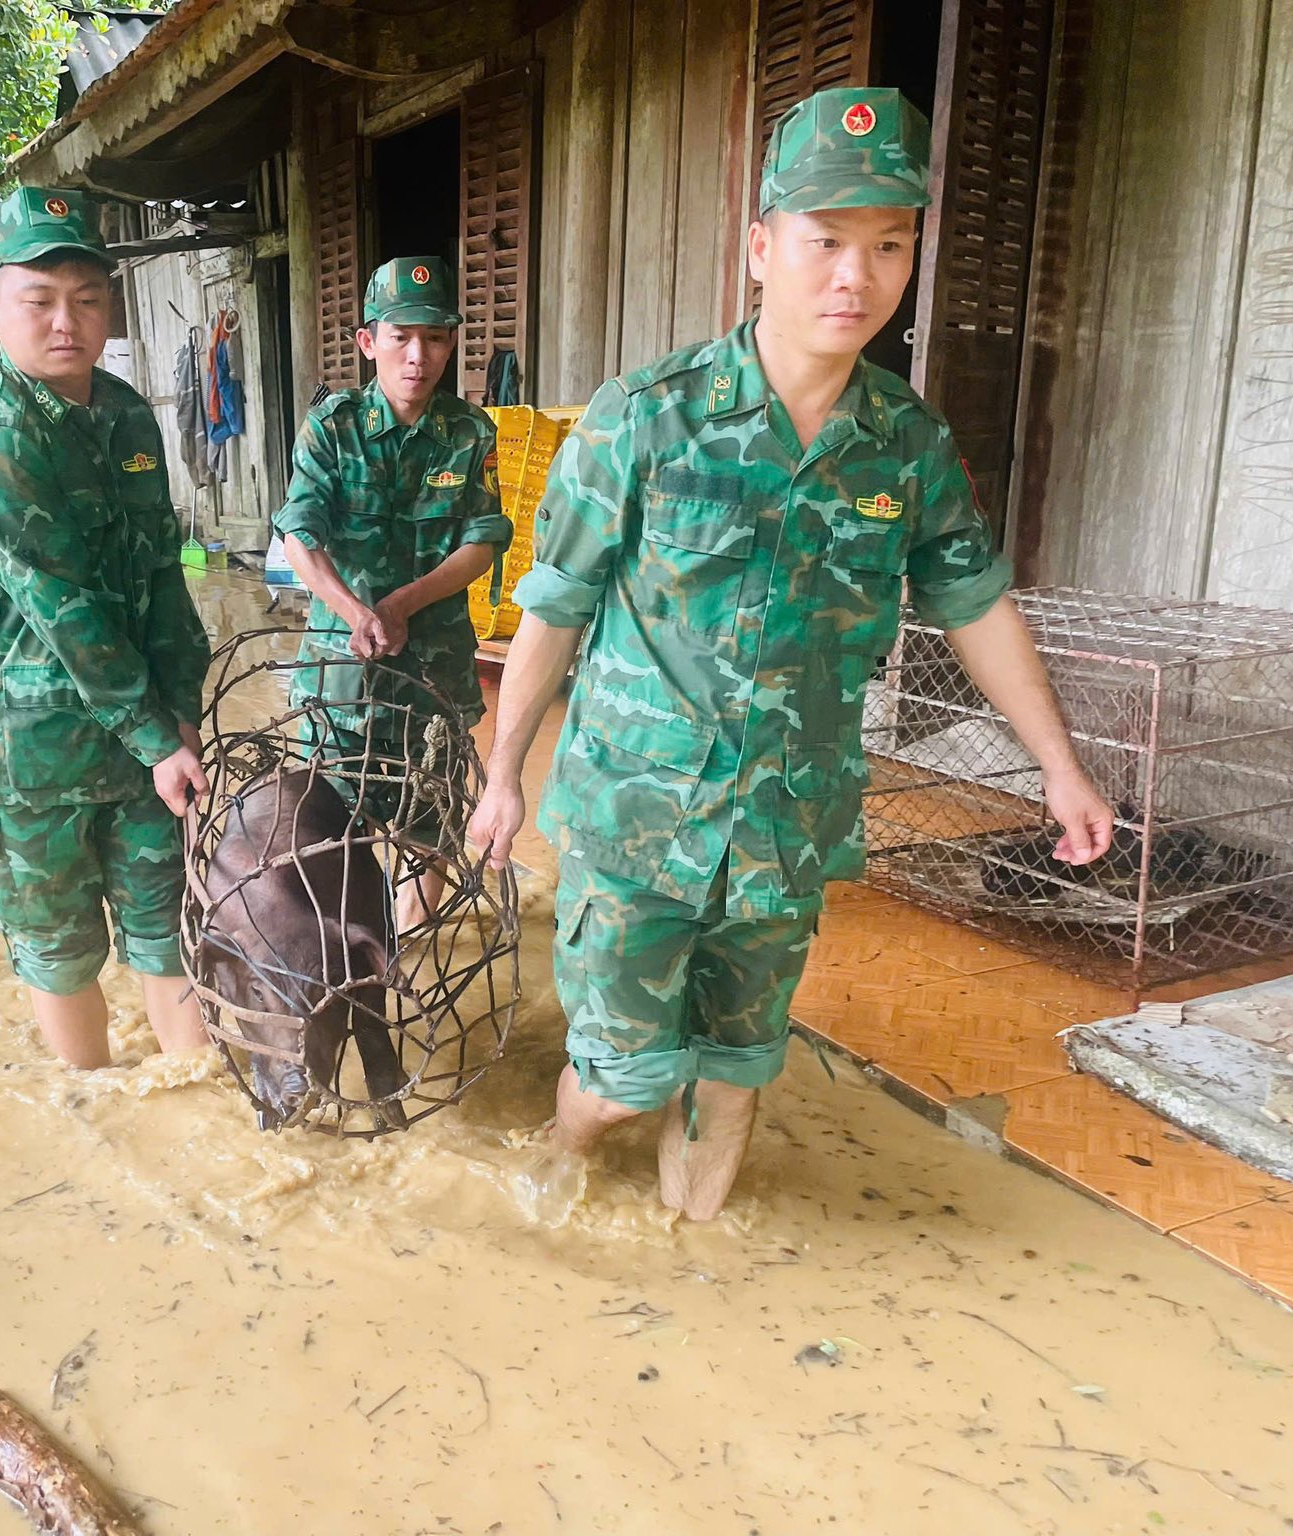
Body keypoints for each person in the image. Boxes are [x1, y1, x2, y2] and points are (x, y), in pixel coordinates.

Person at [467, 88, 1115, 1220]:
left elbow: (974, 603)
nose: (852, 277)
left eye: (886, 245)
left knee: (732, 1079)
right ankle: (560, 1169)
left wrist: (1058, 767)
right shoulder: (643, 420)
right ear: (761, 248)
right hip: (636, 822)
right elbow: (554, 606)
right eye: (823, 243)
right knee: (622, 1079)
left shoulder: (905, 446)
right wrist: (498, 778)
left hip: (786, 825)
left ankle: (691, 1244)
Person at [0, 186, 213, 1069]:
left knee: (170, 926)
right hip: (26, 749)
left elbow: (163, 572)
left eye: (87, 299)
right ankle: (95, 1113)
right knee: (61, 951)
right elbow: (61, 605)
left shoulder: (128, 414)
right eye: (40, 300)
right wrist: (151, 732)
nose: (67, 322)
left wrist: (181, 711)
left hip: (140, 741)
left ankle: (193, 1107)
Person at [276, 256, 513, 932]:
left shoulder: (471, 434)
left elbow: (483, 541)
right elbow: (298, 531)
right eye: (402, 336)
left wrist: (401, 605)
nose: (419, 355)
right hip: (341, 674)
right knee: (331, 832)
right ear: (368, 340)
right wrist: (355, 611)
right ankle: (350, 954)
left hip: (433, 675)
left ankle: (408, 952)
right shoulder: (332, 427)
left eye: (435, 338)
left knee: (427, 827)